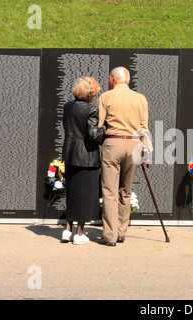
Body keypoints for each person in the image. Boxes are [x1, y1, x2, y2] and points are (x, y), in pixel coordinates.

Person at [97, 66, 152, 247]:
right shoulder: (140, 99)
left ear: (113, 79)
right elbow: (144, 126)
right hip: (135, 144)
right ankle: (121, 232)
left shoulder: (105, 97)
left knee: (109, 191)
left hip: (113, 142)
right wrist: (147, 152)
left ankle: (110, 235)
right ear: (127, 80)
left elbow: (99, 124)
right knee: (125, 190)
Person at [61, 77, 106, 245]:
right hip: (87, 157)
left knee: (72, 193)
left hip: (70, 155)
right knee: (84, 196)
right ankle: (79, 234)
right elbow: (93, 135)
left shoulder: (67, 106)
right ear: (90, 92)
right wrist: (105, 129)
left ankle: (67, 230)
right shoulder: (91, 110)